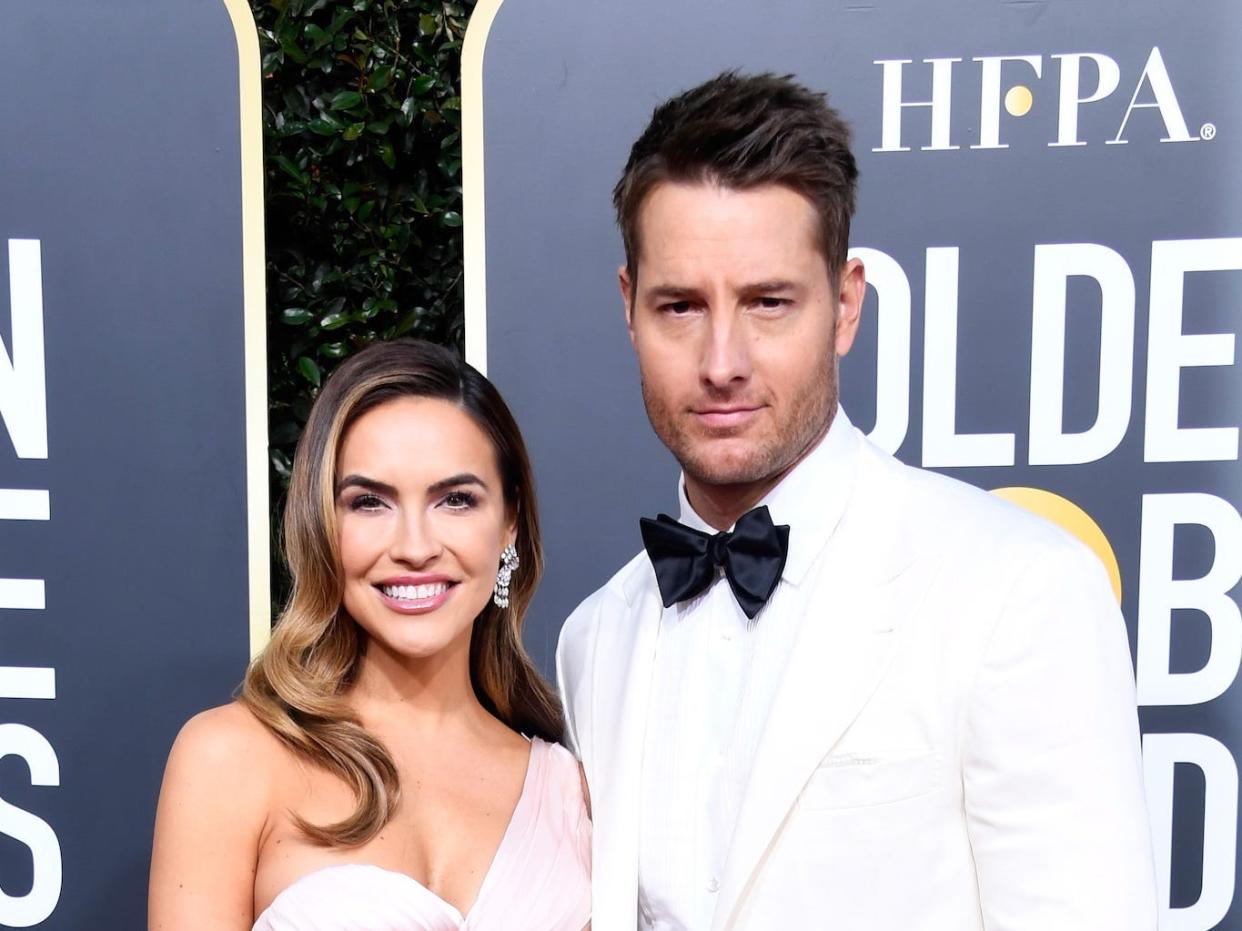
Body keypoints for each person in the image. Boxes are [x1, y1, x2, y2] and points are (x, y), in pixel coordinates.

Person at [556, 71, 1157, 930]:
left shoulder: (1019, 590)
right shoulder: (594, 638)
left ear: (845, 306)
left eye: (768, 302)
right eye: (681, 306)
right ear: (629, 309)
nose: (722, 360)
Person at [150, 339, 590, 931]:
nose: (414, 547)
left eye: (455, 500)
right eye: (369, 503)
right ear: (324, 526)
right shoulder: (231, 758)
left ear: (509, 522)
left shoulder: (574, 792)